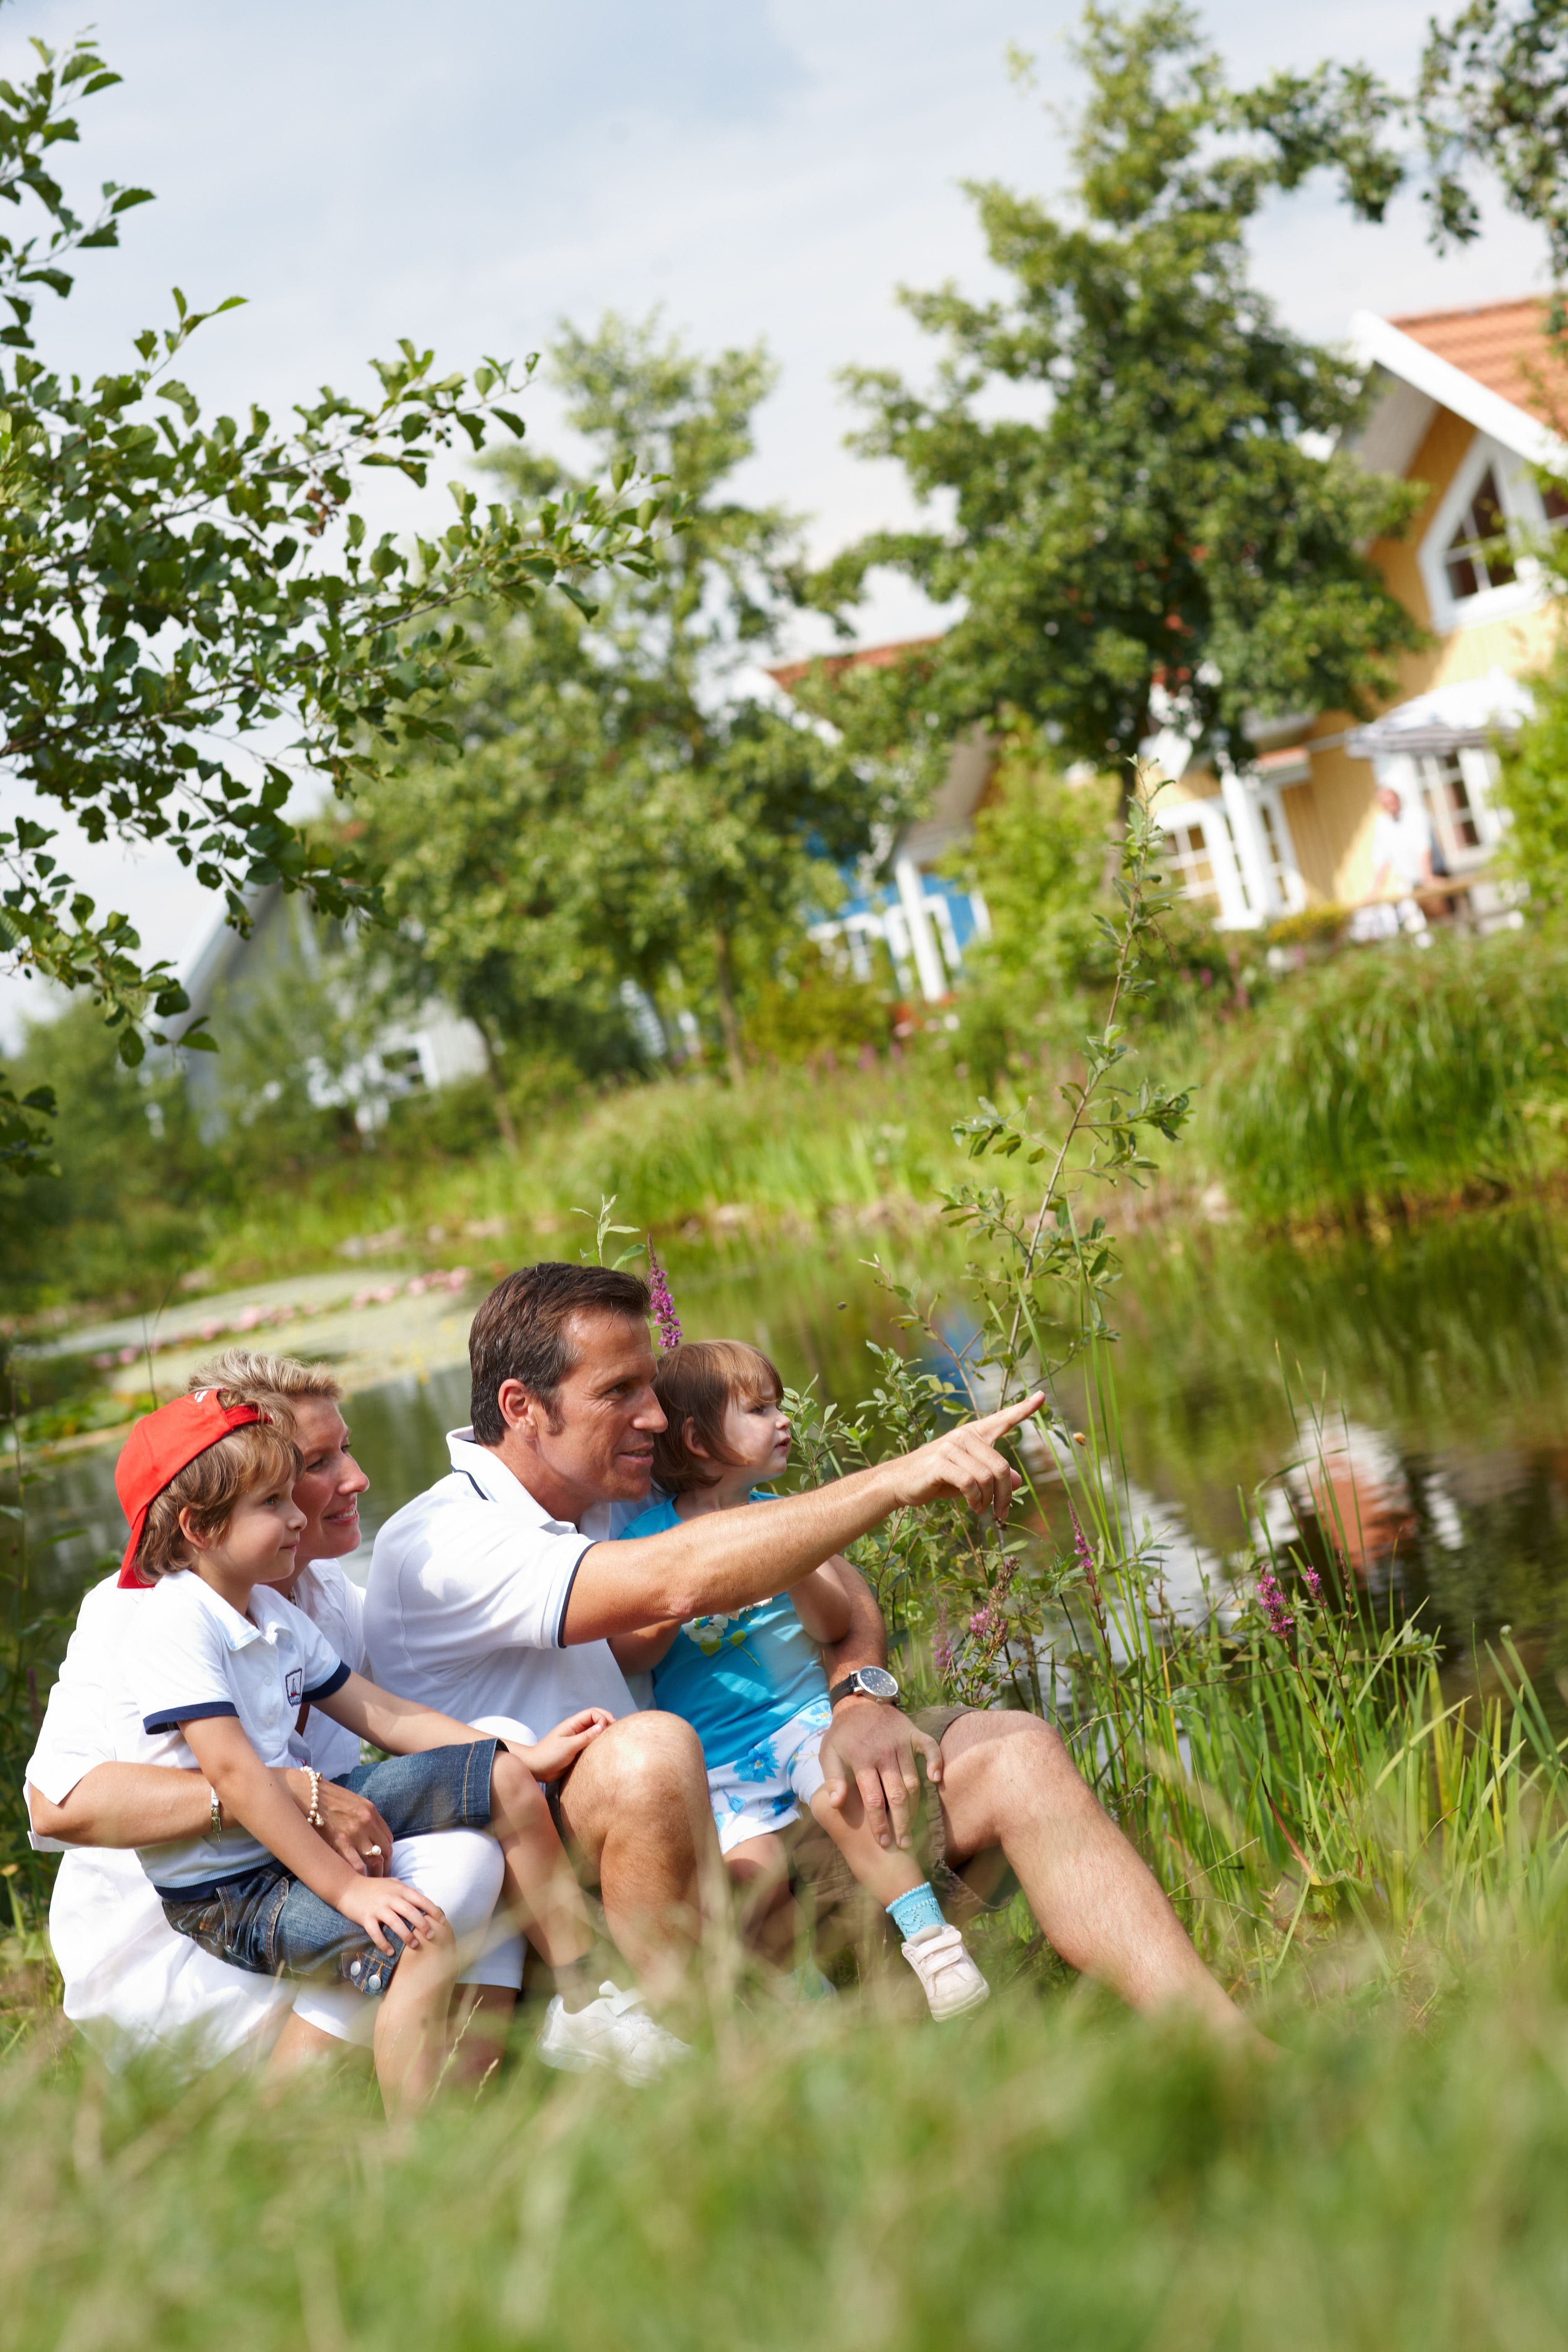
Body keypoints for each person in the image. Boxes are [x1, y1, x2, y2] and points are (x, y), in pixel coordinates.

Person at [366, 1261, 1253, 2040]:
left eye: (653, 1387)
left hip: (739, 1827)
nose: (655, 1416)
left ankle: (1224, 2044)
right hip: (574, 1903)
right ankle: (722, 2077)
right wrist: (902, 1478)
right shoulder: (443, 1543)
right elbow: (676, 1582)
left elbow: (840, 1598)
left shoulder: (603, 1487)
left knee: (1015, 1748)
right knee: (644, 1755)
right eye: (620, 1393)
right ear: (523, 1408)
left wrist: (858, 1697)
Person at [116, 1387, 663, 2109]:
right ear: (198, 1526)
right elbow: (239, 1779)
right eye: (272, 1504)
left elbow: (383, 1714)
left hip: (287, 1837)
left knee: (499, 1778)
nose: (294, 1518)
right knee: (415, 1932)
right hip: (229, 1889)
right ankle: (419, 2142)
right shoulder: (178, 1623)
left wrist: (512, 1756)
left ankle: (585, 2000)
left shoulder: (270, 1608)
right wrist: (350, 1891)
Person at [27, 1354, 518, 2079]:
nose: (355, 1479)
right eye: (316, 1462)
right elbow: (59, 1806)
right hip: (182, 1937)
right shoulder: (135, 1612)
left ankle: (484, 2072)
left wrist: (520, 1750)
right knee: (431, 1890)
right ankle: (292, 2109)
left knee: (485, 1823)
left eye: (342, 1451)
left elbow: (394, 1712)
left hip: (289, 1880)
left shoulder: (318, 1595)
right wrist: (291, 1792)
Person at [609, 1340, 989, 2019]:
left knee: (841, 1793)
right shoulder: (648, 1537)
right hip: (717, 1762)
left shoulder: (783, 1518)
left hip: (799, 1721)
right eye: (758, 1409)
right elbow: (631, 1653)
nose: (782, 1420)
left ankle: (932, 1942)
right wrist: (680, 1593)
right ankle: (801, 2001)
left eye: (777, 1404)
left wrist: (788, 1560)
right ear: (696, 1439)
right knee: (748, 1879)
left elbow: (834, 1619)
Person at [1354, 782, 1436, 941]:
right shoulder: (1383, 824)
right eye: (1383, 803)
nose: (1388, 805)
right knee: (1418, 930)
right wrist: (1375, 891)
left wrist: (1428, 878)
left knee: (1442, 922)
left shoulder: (1416, 815)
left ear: (1398, 799)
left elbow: (1424, 849)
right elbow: (1382, 859)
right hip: (1408, 883)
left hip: (1430, 877)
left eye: (1390, 800)